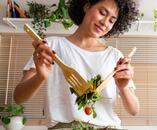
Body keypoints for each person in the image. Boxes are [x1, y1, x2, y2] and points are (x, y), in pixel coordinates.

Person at [13, 0, 140, 129]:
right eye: (102, 12)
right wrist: (40, 77)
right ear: (86, 6)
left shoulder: (114, 56)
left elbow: (134, 110)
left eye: (111, 21)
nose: (105, 22)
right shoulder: (51, 47)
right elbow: (18, 97)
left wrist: (124, 88)